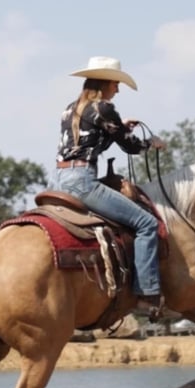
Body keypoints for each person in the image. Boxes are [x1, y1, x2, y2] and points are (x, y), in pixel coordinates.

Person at [50, 56, 167, 317]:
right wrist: (153, 143)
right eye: (116, 83)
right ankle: (147, 295)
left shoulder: (70, 109)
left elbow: (90, 143)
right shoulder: (103, 107)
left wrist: (119, 128)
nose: (118, 89)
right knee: (147, 224)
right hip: (83, 181)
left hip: (59, 180)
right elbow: (130, 146)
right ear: (105, 83)